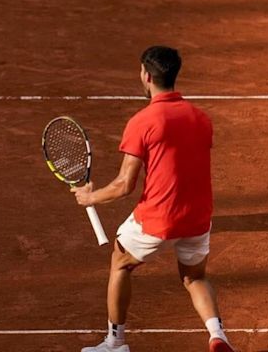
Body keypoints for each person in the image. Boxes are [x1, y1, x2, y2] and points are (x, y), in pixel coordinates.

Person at [71, 46, 235, 352]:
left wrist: (89, 196)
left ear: (146, 76)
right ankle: (218, 337)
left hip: (159, 218)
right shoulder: (201, 118)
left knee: (120, 264)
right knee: (194, 277)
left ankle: (115, 343)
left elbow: (124, 185)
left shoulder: (143, 121)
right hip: (198, 216)